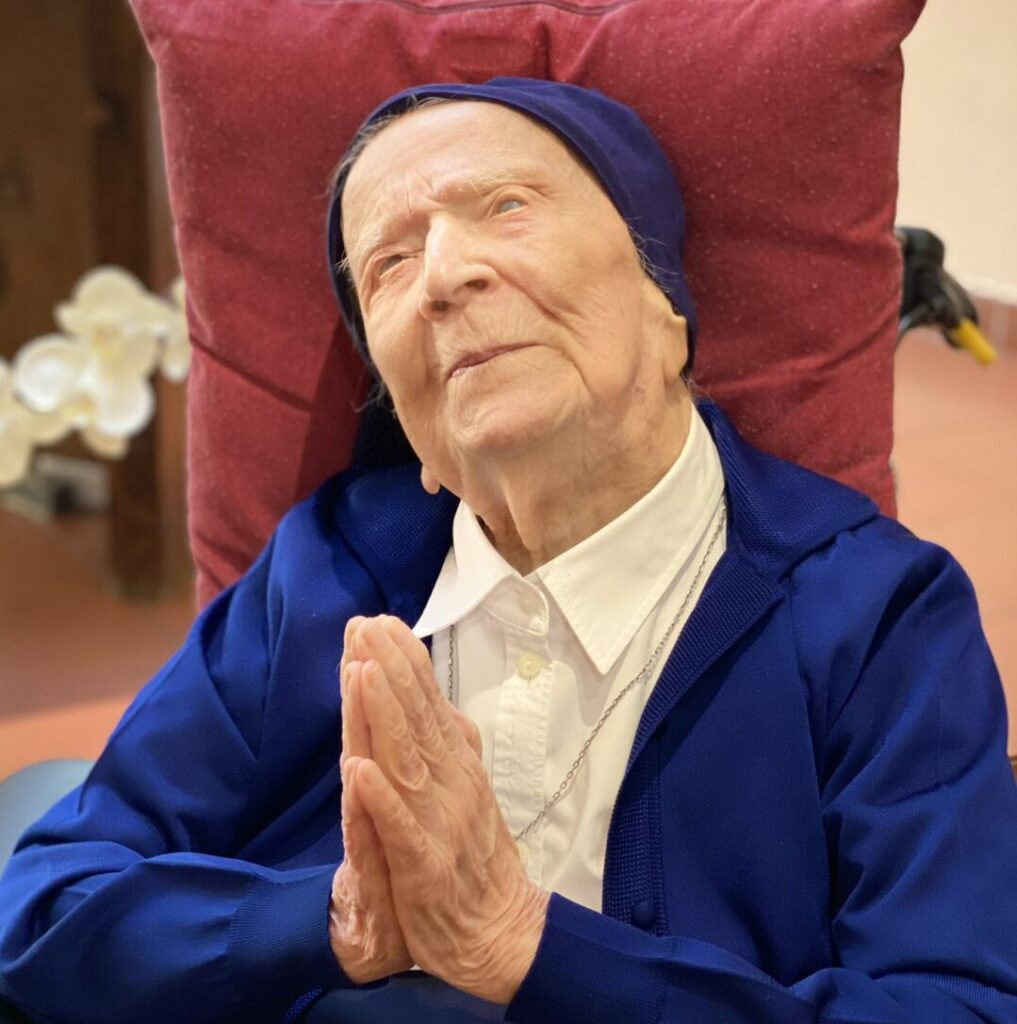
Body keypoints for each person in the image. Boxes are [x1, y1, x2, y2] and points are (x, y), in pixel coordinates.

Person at [1, 78, 1015, 1024]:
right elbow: (45, 907)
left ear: (670, 316)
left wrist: (521, 941)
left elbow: (951, 1003)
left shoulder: (877, 614)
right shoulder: (324, 572)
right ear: (409, 417)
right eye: (389, 262)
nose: (443, 274)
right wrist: (336, 919)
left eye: (507, 207)